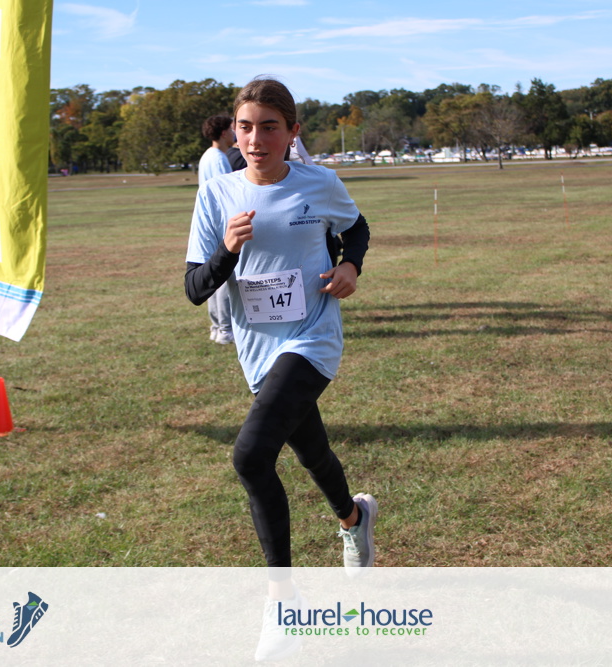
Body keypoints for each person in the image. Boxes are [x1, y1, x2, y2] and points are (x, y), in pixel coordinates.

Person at [184, 77, 374, 659]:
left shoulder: (319, 183)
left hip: (312, 337)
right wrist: (226, 251)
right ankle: (354, 518)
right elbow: (195, 288)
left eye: (269, 127)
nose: (255, 139)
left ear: (292, 132)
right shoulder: (217, 194)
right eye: (245, 127)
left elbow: (356, 228)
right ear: (233, 132)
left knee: (250, 455)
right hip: (257, 349)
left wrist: (351, 266)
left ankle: (282, 603)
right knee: (311, 450)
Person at [198, 115, 237, 344]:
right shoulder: (219, 159)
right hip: (220, 225)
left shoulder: (207, 156)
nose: (234, 133)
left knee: (214, 274)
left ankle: (216, 327)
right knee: (224, 276)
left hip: (210, 224)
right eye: (232, 129)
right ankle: (225, 329)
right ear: (223, 133)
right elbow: (227, 195)